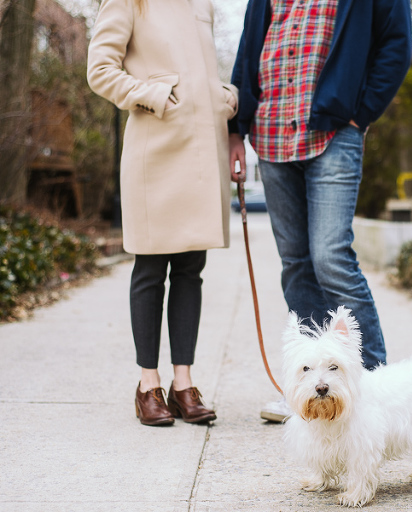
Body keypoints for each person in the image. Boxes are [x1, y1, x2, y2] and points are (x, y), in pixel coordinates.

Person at [228, 0, 412, 422]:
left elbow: (396, 45)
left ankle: (374, 386)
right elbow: (246, 52)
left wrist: (361, 114)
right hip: (271, 134)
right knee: (296, 263)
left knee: (331, 257)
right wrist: (235, 130)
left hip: (333, 132)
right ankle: (308, 392)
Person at [87, 0, 239, 426]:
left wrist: (222, 95)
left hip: (200, 152)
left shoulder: (201, 4)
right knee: (151, 268)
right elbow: (100, 70)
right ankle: (147, 385)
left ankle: (183, 384)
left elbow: (198, 71)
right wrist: (152, 93)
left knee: (191, 268)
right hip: (154, 150)